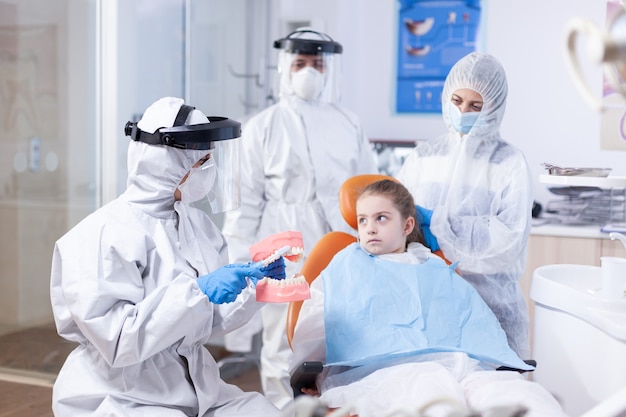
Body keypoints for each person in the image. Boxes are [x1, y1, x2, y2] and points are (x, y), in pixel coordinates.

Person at [49, 97, 286, 417]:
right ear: (167, 165)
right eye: (202, 163)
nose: (209, 172)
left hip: (197, 387)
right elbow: (119, 342)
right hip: (122, 394)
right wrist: (198, 292)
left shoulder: (196, 225)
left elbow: (207, 322)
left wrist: (254, 287)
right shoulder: (100, 235)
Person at [289, 179, 567, 417]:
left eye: (381, 218)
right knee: (431, 388)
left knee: (518, 394)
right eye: (363, 220)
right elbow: (317, 324)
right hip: (383, 372)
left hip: (460, 364)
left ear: (407, 224)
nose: (370, 228)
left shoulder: (433, 265)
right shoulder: (345, 265)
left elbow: (473, 321)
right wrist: (312, 372)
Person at [221, 28, 379, 410]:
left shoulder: (348, 123)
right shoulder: (262, 127)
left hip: (340, 247)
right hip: (283, 253)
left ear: (330, 69)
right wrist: (240, 262)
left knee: (340, 337)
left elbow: (369, 188)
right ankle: (282, 411)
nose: (309, 71)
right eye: (300, 63)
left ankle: (333, 409)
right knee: (281, 341)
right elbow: (244, 205)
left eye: (317, 63)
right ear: (284, 69)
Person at [396, 52, 534, 359]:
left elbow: (506, 243)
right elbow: (396, 219)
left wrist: (441, 227)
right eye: (457, 101)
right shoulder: (424, 157)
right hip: (429, 306)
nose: (463, 111)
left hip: (489, 306)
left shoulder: (509, 163)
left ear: (495, 107)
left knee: (491, 401)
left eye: (475, 105)